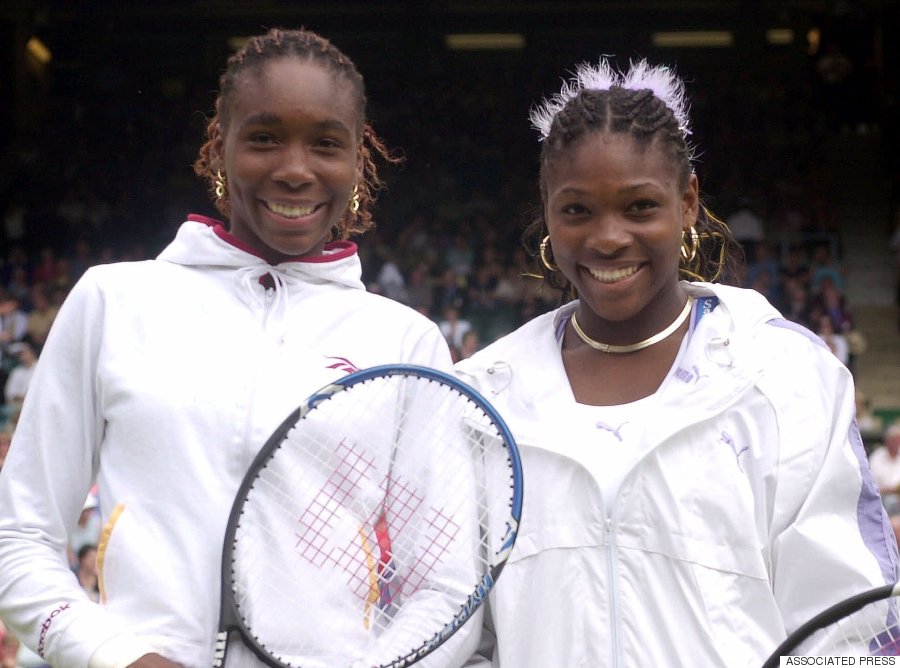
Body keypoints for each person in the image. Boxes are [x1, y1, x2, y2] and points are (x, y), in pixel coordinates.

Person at [0, 27, 478, 668]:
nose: (295, 168)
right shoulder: (112, 303)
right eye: (264, 138)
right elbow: (17, 537)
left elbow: (445, 589)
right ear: (218, 145)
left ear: (357, 161)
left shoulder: (405, 342)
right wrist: (116, 658)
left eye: (326, 144)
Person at [455, 57, 897, 666]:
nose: (608, 237)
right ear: (547, 211)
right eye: (577, 209)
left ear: (688, 202)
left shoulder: (781, 375)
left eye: (639, 207)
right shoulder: (483, 399)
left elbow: (854, 627)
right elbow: (461, 639)